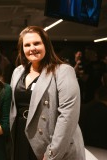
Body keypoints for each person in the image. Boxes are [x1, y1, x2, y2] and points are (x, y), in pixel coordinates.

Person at [9, 26, 85, 160]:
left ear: (46, 45)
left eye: (37, 43)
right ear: (22, 49)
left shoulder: (63, 71)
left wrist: (52, 152)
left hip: (49, 141)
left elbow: (68, 116)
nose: (32, 48)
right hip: (21, 136)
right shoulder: (18, 71)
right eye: (27, 45)